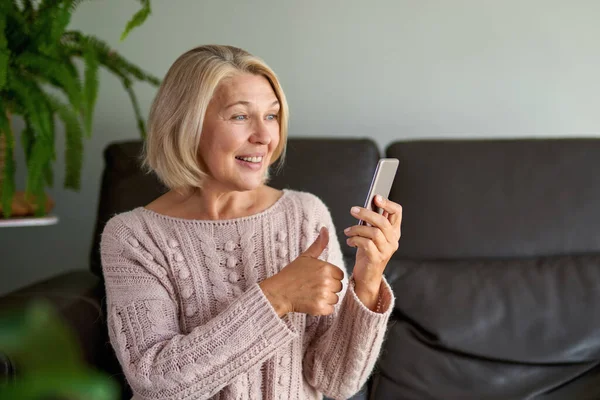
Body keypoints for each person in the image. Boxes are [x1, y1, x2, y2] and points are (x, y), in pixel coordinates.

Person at [100, 44, 402, 400]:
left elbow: (336, 383)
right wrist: (275, 298)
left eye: (272, 116)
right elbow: (154, 380)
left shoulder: (306, 215)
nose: (264, 136)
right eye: (240, 116)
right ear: (188, 124)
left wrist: (367, 281)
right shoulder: (133, 237)